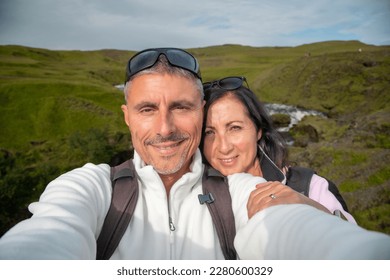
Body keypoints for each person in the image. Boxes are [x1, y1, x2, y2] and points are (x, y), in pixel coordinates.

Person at [0, 48, 389, 260]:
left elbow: (287, 230)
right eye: (147, 109)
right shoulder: (93, 187)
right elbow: (50, 232)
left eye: (182, 108)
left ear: (200, 109)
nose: (166, 128)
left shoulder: (238, 190)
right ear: (126, 117)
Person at [201, 76, 355, 222]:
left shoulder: (311, 188)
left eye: (235, 128)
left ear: (258, 130)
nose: (224, 147)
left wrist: (308, 206)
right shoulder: (194, 199)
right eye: (209, 132)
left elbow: (353, 244)